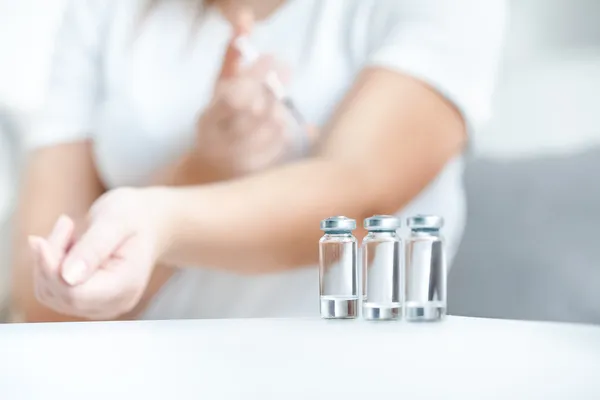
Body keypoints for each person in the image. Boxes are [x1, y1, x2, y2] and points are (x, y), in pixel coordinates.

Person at [11, 0, 506, 322]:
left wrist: (161, 219)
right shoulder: (101, 14)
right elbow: (41, 308)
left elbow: (359, 198)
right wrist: (200, 172)